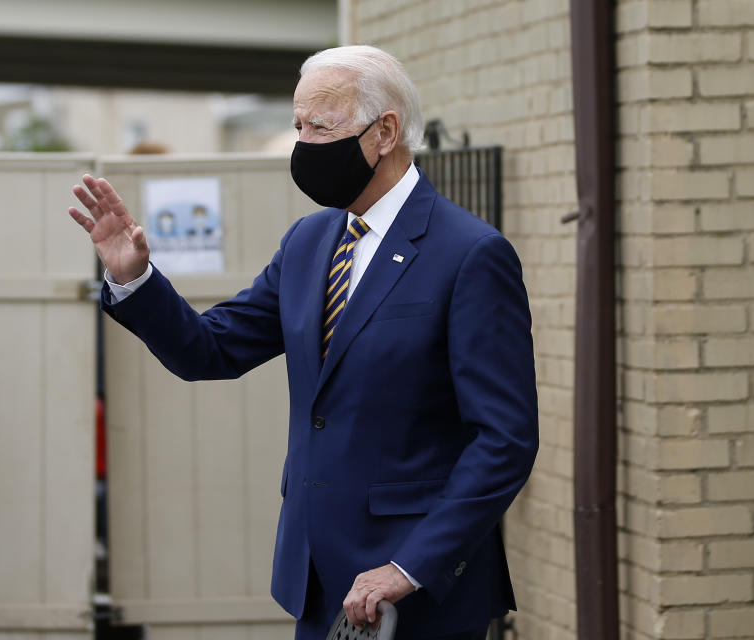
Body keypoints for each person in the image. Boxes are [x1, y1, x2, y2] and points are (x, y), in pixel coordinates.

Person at [68, 45, 538, 640]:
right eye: (297, 126)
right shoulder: (310, 242)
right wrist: (132, 278)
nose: (304, 144)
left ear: (385, 132)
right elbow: (209, 350)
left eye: (321, 126)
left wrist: (409, 566)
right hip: (317, 581)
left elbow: (505, 440)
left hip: (416, 594)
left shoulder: (470, 254)